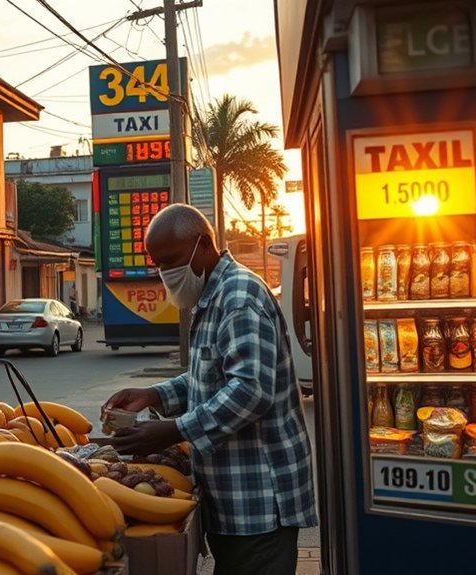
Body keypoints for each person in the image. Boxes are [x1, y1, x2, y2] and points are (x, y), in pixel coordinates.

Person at [101, 204, 316, 575]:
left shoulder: (239, 298)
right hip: (236, 498)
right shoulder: (213, 294)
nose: (165, 272)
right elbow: (209, 376)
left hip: (260, 500)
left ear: (203, 245)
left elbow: (251, 390)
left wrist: (174, 430)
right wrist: (155, 395)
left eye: (171, 260)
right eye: (158, 264)